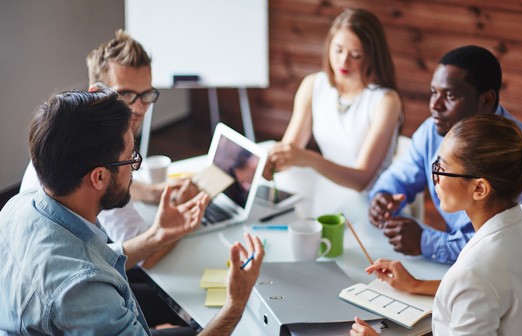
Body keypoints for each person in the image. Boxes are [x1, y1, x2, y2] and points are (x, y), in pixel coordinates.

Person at [0, 89, 264, 336]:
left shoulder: (19, 206)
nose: (134, 169)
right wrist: (235, 306)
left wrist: (159, 235)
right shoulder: (84, 292)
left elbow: (89, 261)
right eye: (131, 158)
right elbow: (84, 278)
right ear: (99, 176)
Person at [351, 114, 522, 335]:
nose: (435, 177)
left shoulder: (474, 273)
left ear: (479, 189)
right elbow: (492, 291)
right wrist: (416, 285)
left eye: (442, 167)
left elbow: (477, 284)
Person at [368, 45, 522, 264]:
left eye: (450, 95)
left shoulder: (521, 156)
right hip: (467, 267)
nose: (435, 105)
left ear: (486, 100)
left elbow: (509, 249)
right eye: (433, 92)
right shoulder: (433, 130)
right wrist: (384, 196)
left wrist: (426, 242)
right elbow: (400, 176)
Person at [264, 8, 402, 191]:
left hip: (374, 200)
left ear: (372, 57)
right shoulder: (313, 85)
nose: (344, 62)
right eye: (338, 50)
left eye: (356, 55)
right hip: (331, 190)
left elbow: (362, 180)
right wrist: (268, 164)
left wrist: (308, 159)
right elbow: (290, 150)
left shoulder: (386, 101)